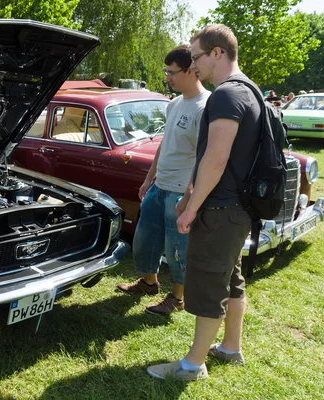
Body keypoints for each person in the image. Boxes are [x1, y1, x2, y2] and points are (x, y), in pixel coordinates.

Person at [147, 24, 261, 380]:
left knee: (210, 282)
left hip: (221, 207)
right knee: (232, 278)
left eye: (196, 57)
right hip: (239, 206)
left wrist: (193, 206)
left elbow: (216, 156)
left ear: (217, 53)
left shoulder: (226, 95)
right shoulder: (251, 90)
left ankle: (192, 366)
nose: (193, 66)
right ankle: (230, 347)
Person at [116, 45, 210, 315]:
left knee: (177, 249)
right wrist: (149, 178)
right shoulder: (175, 103)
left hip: (181, 192)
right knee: (145, 239)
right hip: (160, 186)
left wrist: (190, 197)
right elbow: (163, 144)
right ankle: (149, 283)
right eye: (166, 71)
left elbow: (205, 157)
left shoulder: (205, 108)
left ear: (191, 70)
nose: (167, 77)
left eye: (172, 72)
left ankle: (178, 298)